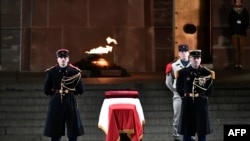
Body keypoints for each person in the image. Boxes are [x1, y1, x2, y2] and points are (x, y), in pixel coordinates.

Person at [43, 48, 85, 141]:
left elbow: (80, 90)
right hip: (56, 102)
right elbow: (46, 90)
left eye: (65, 57)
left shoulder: (75, 72)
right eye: (60, 57)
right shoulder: (51, 72)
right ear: (57, 59)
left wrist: (70, 94)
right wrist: (56, 95)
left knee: (73, 131)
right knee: (55, 131)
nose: (63, 59)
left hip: (70, 101)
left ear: (68, 59)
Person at [175, 50, 215, 141]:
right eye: (194, 58)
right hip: (188, 102)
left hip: (201, 102)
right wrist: (186, 96)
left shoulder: (207, 73)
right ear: (190, 59)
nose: (196, 60)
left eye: (198, 58)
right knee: (187, 131)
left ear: (200, 59)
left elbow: (210, 90)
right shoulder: (182, 72)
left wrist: (202, 96)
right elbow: (179, 88)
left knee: (202, 131)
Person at [165, 44, 191, 141]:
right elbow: (168, 82)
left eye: (185, 52)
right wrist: (176, 91)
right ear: (179, 53)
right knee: (177, 116)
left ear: (188, 53)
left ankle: (190, 135)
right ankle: (176, 136)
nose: (184, 53)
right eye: (181, 52)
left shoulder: (193, 64)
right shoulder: (173, 65)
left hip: (190, 94)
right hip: (179, 95)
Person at [228, 0, 249, 69]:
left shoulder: (245, 12)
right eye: (237, 2)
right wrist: (233, 28)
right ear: (235, 3)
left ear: (242, 3)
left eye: (239, 2)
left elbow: (247, 22)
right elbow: (229, 22)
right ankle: (236, 64)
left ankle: (240, 64)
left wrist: (243, 28)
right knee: (235, 50)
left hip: (242, 33)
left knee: (241, 50)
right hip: (234, 33)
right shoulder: (232, 12)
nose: (238, 3)